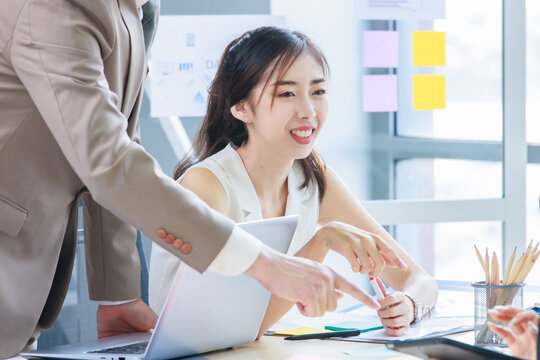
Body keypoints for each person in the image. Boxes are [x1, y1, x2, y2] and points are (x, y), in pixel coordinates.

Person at [0, 2, 379, 357]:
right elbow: (110, 163)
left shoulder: (139, 7)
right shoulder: (54, 6)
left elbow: (119, 139)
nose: (307, 110)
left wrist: (117, 295)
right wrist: (265, 263)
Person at [150, 26, 439, 338]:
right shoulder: (207, 185)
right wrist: (322, 241)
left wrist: (407, 304)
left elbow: (418, 279)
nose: (309, 111)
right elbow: (229, 331)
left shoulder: (312, 176)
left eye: (318, 91)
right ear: (242, 108)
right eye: (287, 93)